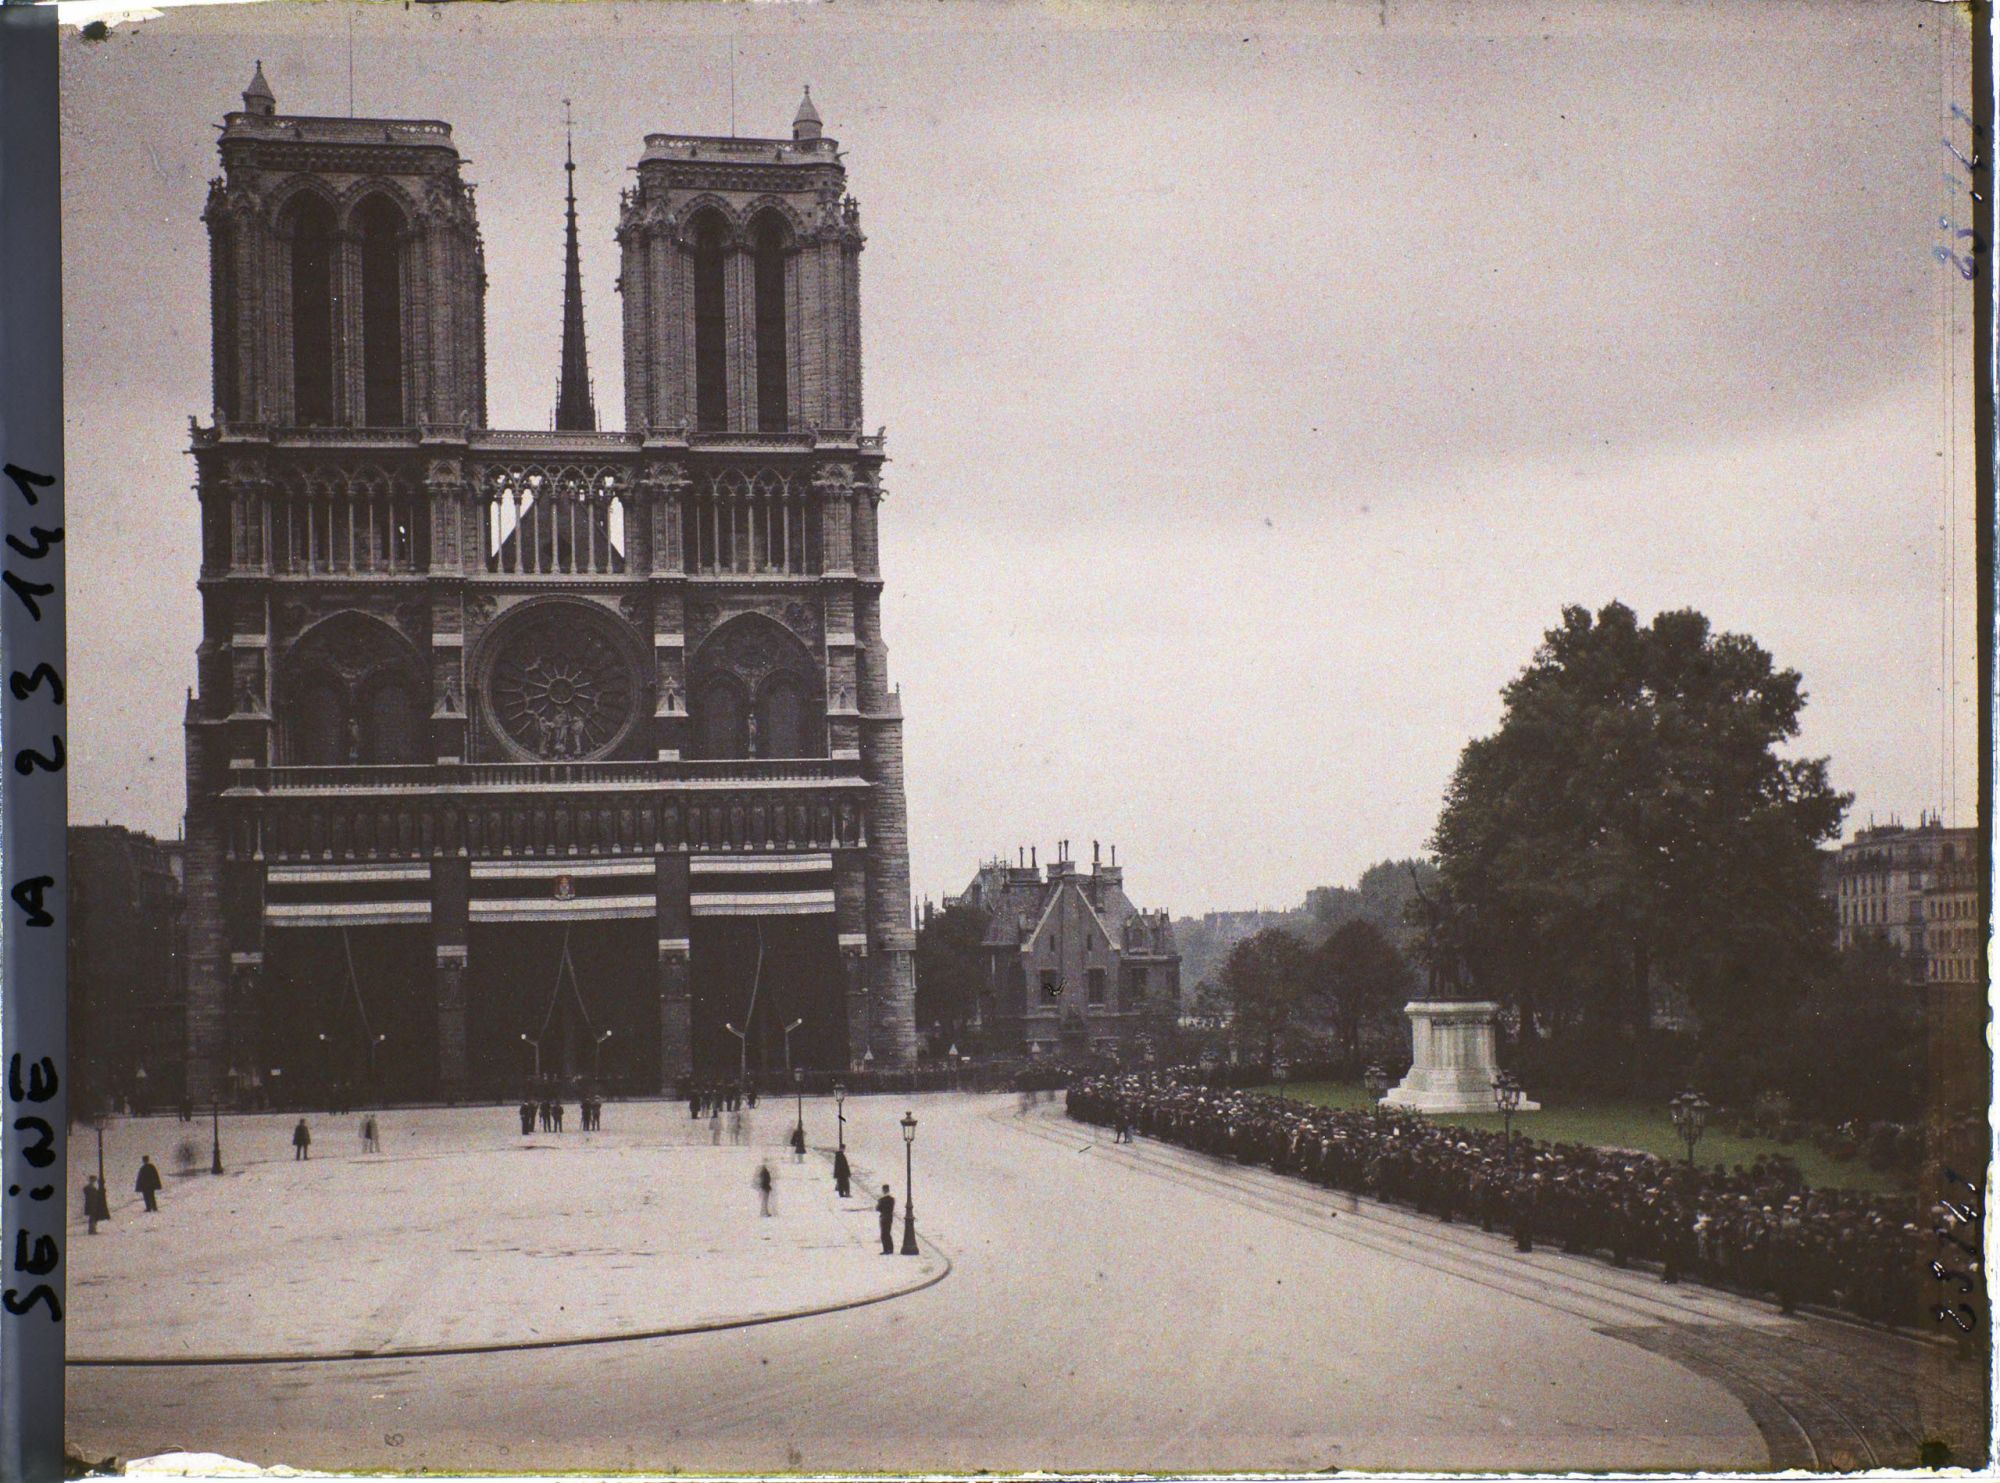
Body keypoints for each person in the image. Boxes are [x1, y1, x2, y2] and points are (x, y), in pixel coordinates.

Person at [876, 1184, 896, 1254]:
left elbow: (878, 1208)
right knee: (888, 1233)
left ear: (883, 1190)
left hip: (883, 1217)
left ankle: (886, 1249)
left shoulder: (882, 1200)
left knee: (884, 1234)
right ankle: (890, 1249)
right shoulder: (892, 1199)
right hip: (889, 1217)